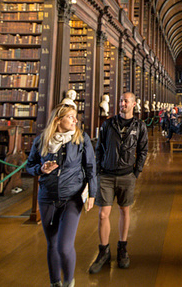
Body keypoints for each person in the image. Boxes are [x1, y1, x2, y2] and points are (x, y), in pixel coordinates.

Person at [26, 103, 97, 287]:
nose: (75, 120)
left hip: (72, 197)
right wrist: (41, 168)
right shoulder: (42, 140)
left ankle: (69, 282)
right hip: (47, 197)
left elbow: (90, 167)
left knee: (64, 246)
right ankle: (55, 283)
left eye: (75, 116)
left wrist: (92, 194)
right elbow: (30, 165)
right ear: (58, 120)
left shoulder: (81, 139)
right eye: (70, 117)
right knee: (52, 243)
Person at [89, 92, 148, 274]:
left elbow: (143, 150)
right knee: (102, 214)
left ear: (134, 104)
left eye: (126, 101)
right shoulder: (108, 123)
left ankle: (122, 248)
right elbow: (99, 148)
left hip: (126, 175)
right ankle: (103, 251)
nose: (122, 103)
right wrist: (99, 169)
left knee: (124, 210)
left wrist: (135, 172)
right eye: (121, 100)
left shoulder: (140, 126)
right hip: (106, 174)